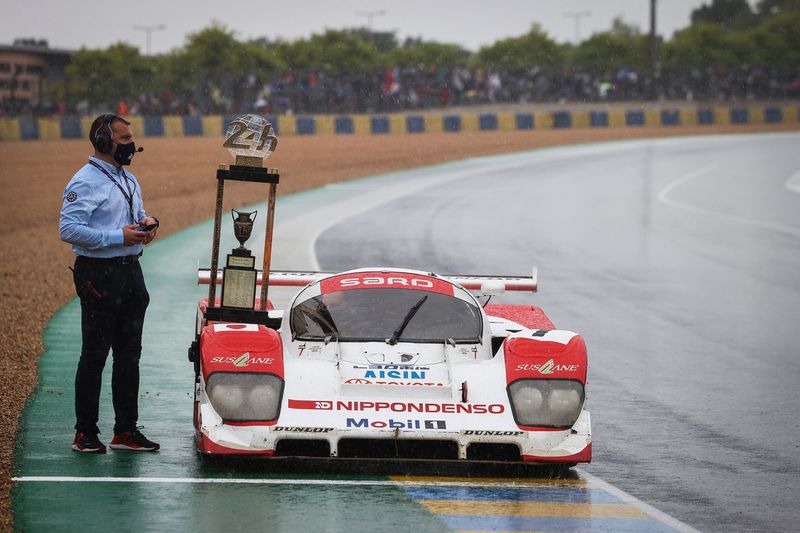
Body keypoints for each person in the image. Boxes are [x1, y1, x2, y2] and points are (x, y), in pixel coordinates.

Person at [59, 113, 160, 453]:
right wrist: (118, 236)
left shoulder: (129, 180)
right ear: (104, 143)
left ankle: (125, 431)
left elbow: (135, 217)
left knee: (130, 356)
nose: (131, 144)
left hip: (131, 272)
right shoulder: (84, 181)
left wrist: (147, 224)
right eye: (124, 138)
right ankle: (84, 432)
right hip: (98, 274)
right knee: (94, 355)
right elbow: (69, 230)